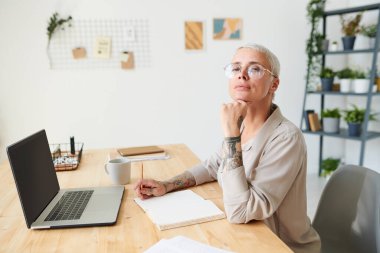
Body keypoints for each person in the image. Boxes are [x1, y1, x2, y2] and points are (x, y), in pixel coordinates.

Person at [134, 43, 321, 253]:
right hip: (249, 236)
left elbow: (241, 212)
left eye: (254, 68)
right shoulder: (242, 124)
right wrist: (167, 185)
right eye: (235, 68)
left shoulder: (286, 137)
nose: (241, 75)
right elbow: (214, 165)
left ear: (274, 85)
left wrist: (231, 134)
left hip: (279, 246)